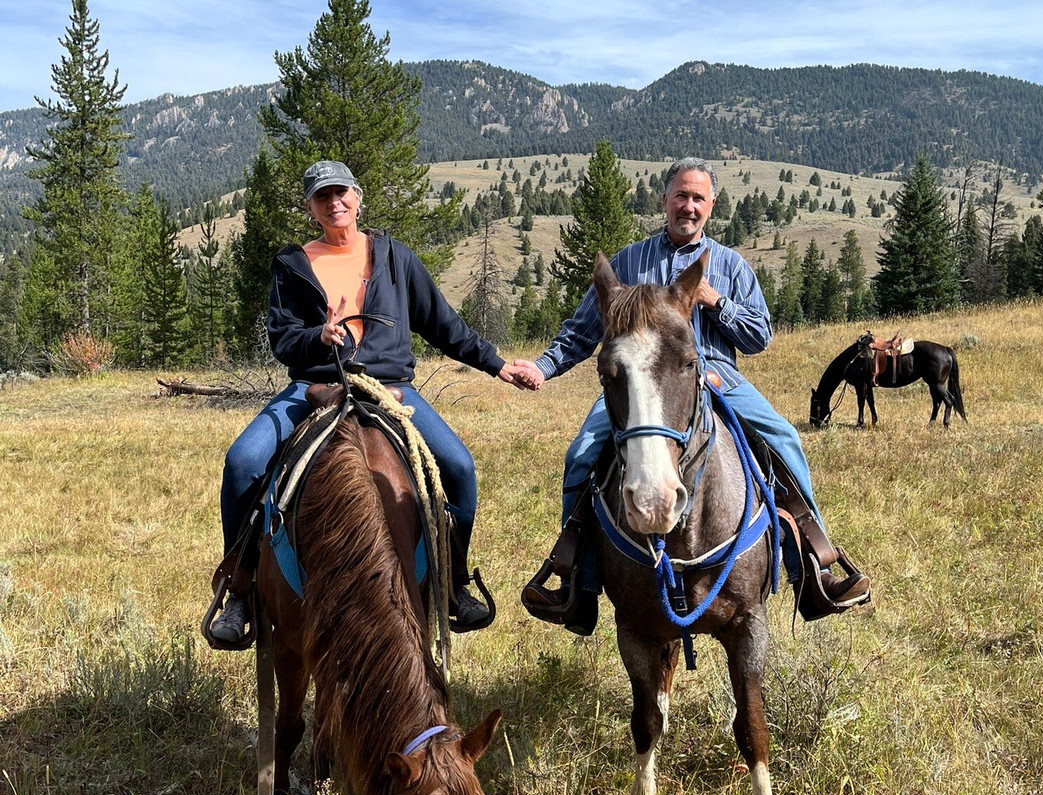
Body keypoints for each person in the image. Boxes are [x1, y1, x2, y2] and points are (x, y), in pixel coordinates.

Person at [515, 156, 870, 634]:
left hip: (718, 377)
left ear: (711, 206)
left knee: (784, 438)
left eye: (698, 198)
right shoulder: (629, 262)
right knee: (582, 453)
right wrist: (541, 366)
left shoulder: (730, 266)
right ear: (664, 201)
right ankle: (576, 579)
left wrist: (714, 301)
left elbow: (759, 336)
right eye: (680, 196)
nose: (688, 206)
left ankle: (813, 569)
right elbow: (583, 330)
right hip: (642, 383)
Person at [210, 160, 536, 642]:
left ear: (358, 198)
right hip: (313, 387)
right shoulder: (292, 264)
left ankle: (453, 582)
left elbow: (443, 324)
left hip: (391, 389)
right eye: (323, 197)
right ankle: (238, 589)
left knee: (461, 471)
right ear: (311, 209)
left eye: (341, 193)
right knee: (242, 462)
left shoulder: (394, 257)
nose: (334, 203)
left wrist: (498, 364)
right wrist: (317, 337)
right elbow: (282, 339)